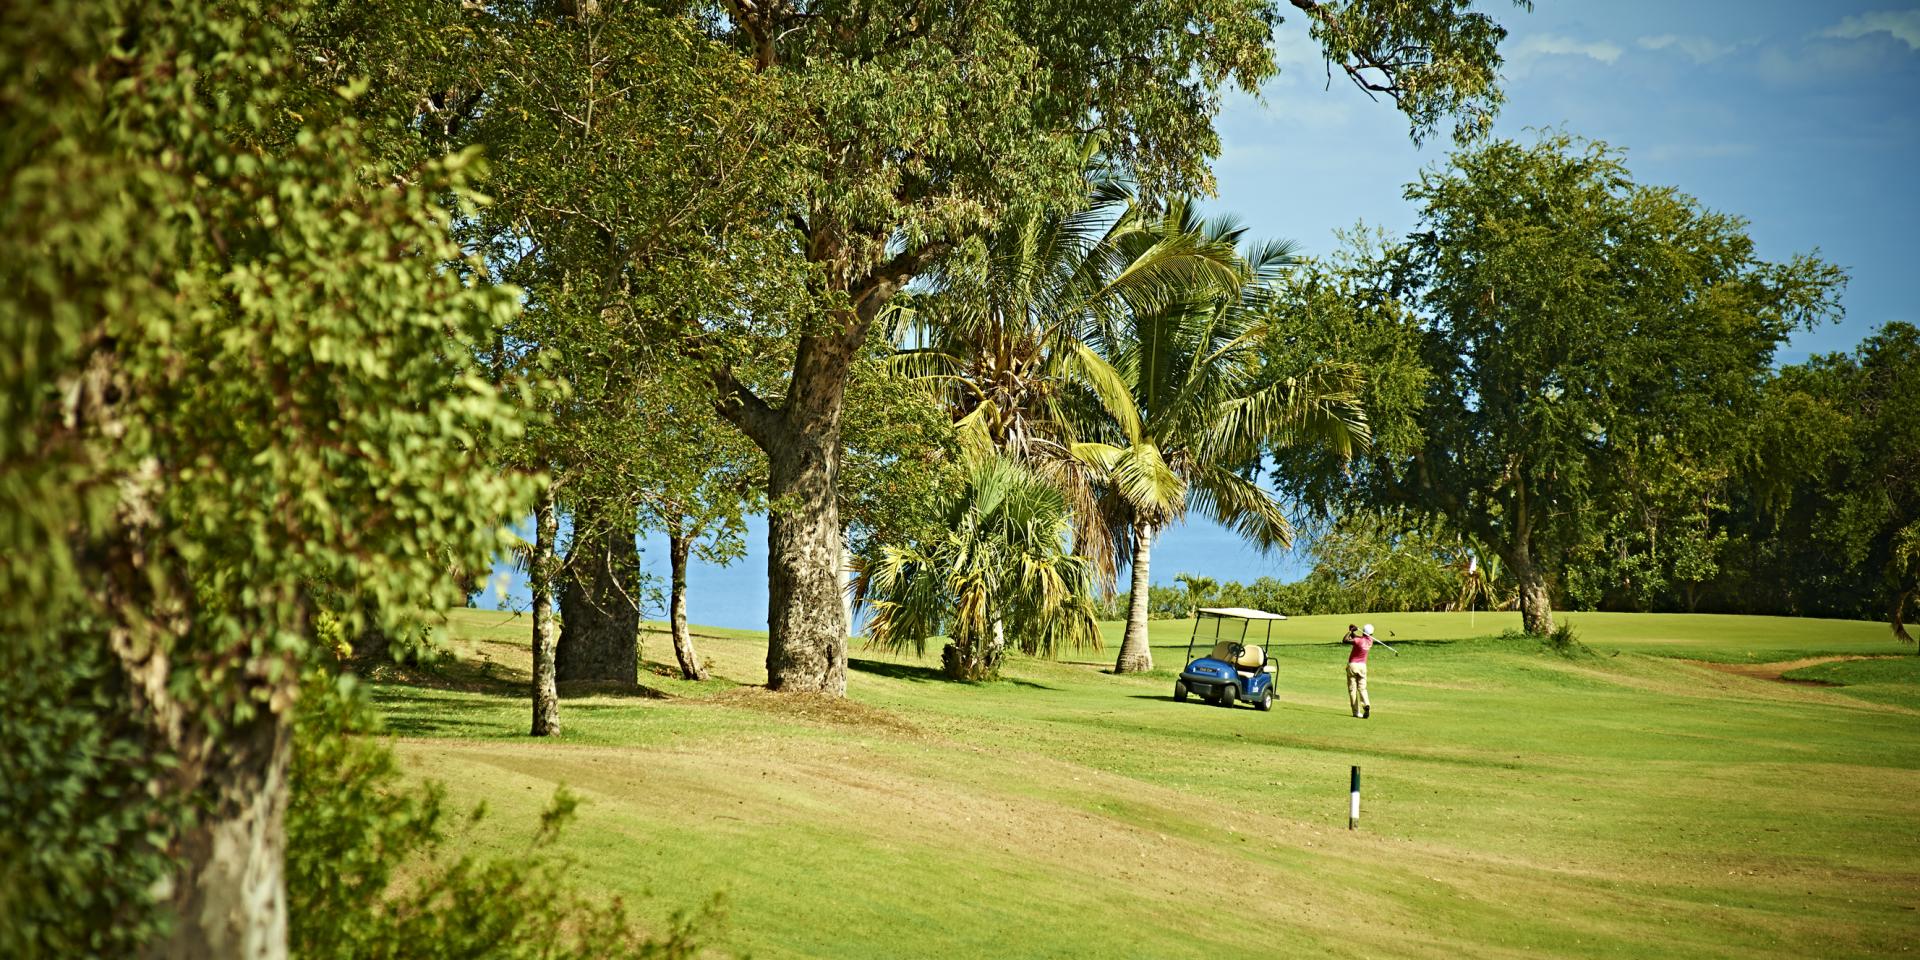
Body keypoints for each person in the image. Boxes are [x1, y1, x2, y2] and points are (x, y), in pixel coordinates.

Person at [1341, 623, 1375, 718]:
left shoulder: (1358, 641)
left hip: (1353, 666)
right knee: (1362, 688)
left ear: (1363, 631)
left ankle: (1356, 712)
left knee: (1352, 689)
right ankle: (1366, 704)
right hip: (1363, 667)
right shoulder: (1370, 641)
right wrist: (1353, 631)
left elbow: (1344, 640)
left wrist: (1350, 631)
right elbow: (1357, 638)